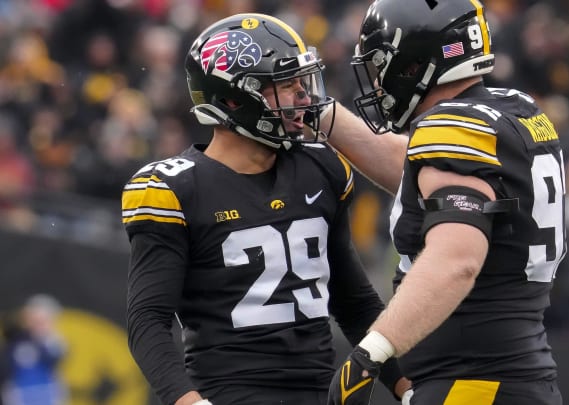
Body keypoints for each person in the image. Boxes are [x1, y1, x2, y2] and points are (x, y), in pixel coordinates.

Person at [121, 13, 408, 405]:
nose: (305, 98)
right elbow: (148, 321)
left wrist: (407, 388)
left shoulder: (322, 167)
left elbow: (354, 302)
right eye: (286, 86)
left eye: (301, 82)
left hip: (319, 394)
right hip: (228, 394)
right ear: (234, 98)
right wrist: (188, 401)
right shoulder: (175, 188)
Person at [324, 1, 566, 404]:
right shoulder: (511, 110)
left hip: (472, 384)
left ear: (414, 63)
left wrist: (373, 351)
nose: (379, 84)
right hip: (519, 376)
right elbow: (417, 171)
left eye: (383, 66)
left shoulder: (452, 128)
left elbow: (457, 260)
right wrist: (324, 118)